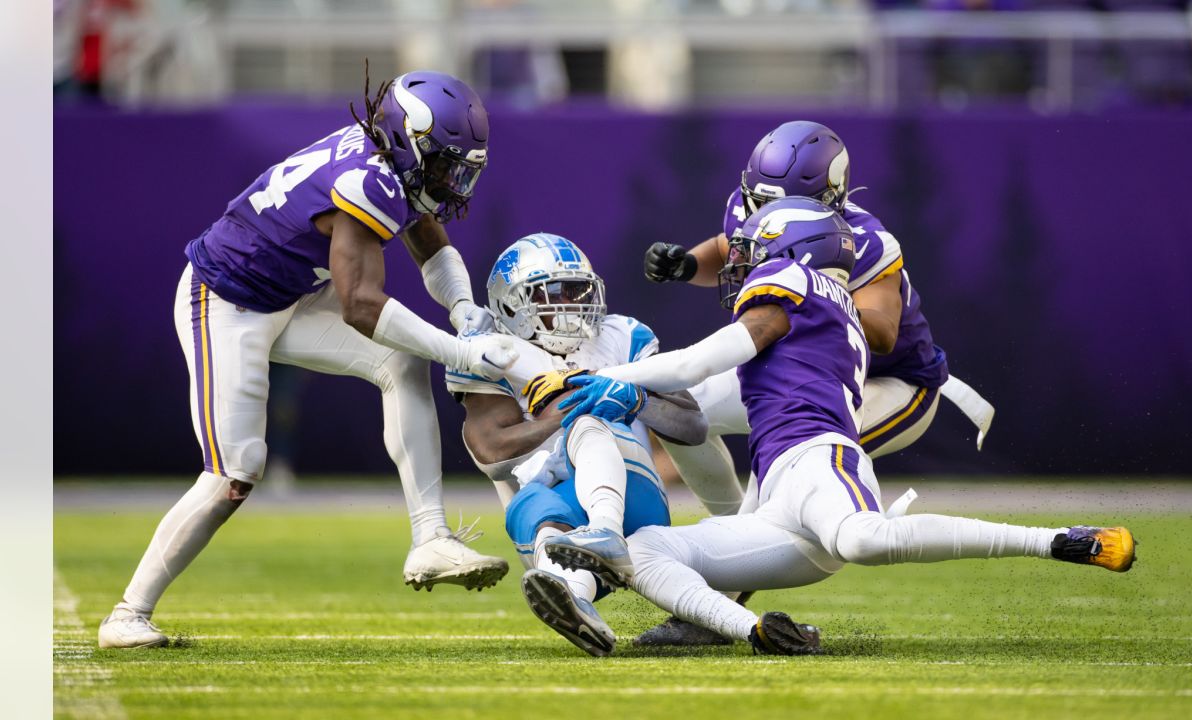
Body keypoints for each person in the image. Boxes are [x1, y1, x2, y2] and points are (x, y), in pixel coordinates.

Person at [555, 197, 1135, 655]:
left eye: (751, 250)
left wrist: (620, 376)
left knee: (862, 538)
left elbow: (697, 361)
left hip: (820, 461)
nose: (738, 261)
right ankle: (755, 630)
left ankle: (1061, 541)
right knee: (647, 548)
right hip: (779, 484)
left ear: (790, 253)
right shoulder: (821, 292)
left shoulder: (798, 289)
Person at [98, 69, 518, 649]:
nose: (453, 181)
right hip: (225, 300)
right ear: (410, 139)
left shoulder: (391, 160)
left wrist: (464, 308)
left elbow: (424, 234)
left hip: (287, 292)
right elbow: (363, 307)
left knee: (399, 364)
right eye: (446, 165)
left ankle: (430, 538)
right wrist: (463, 350)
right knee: (233, 473)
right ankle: (128, 613)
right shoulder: (370, 179)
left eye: (461, 168)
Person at [637, 120, 995, 645]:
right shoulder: (750, 207)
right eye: (758, 203)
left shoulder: (868, 241)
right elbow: (731, 246)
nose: (764, 218)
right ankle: (730, 523)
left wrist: (819, 291)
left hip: (889, 385)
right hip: (796, 366)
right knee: (679, 407)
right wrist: (690, 263)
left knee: (783, 470)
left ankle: (711, 612)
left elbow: (883, 330)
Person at [447, 233, 706, 656]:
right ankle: (577, 598)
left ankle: (579, 590)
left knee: (598, 428)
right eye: (551, 293)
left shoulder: (622, 336)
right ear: (510, 304)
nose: (569, 305)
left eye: (577, 290)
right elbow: (491, 451)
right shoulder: (491, 349)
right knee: (581, 429)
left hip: (633, 494)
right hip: (544, 512)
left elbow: (693, 426)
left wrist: (635, 399)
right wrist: (569, 408)